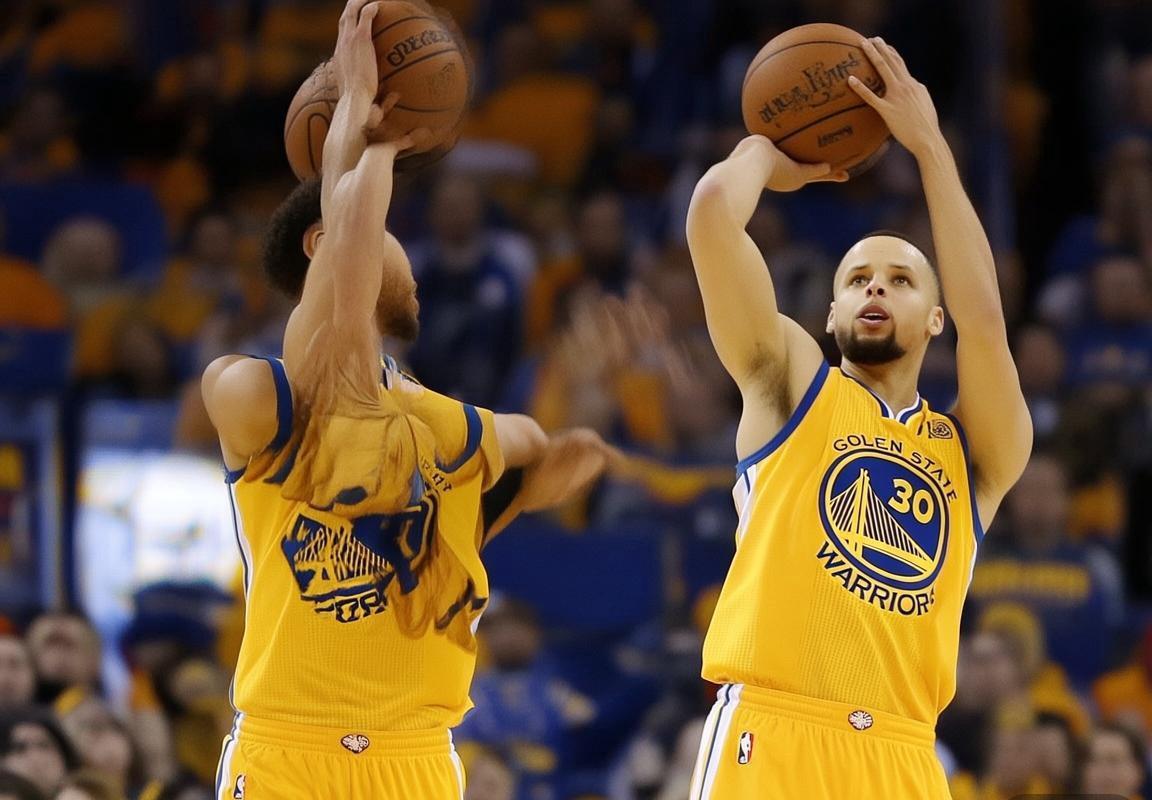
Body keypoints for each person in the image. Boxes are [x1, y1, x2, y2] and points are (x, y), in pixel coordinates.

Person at [200, 3, 613, 798]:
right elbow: (340, 296)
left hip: (417, 757)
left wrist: (543, 473)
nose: (409, 254)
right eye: (384, 233)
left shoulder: (443, 421)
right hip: (291, 753)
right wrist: (362, 131)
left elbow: (528, 444)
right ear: (323, 243)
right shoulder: (261, 394)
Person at [684, 37, 1032, 799]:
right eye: (858, 278)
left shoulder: (973, 452)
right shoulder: (790, 383)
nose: (875, 287)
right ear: (831, 312)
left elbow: (987, 323)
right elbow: (711, 217)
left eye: (901, 279)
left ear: (935, 318)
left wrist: (930, 147)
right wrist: (764, 154)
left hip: (904, 756)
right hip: (774, 731)